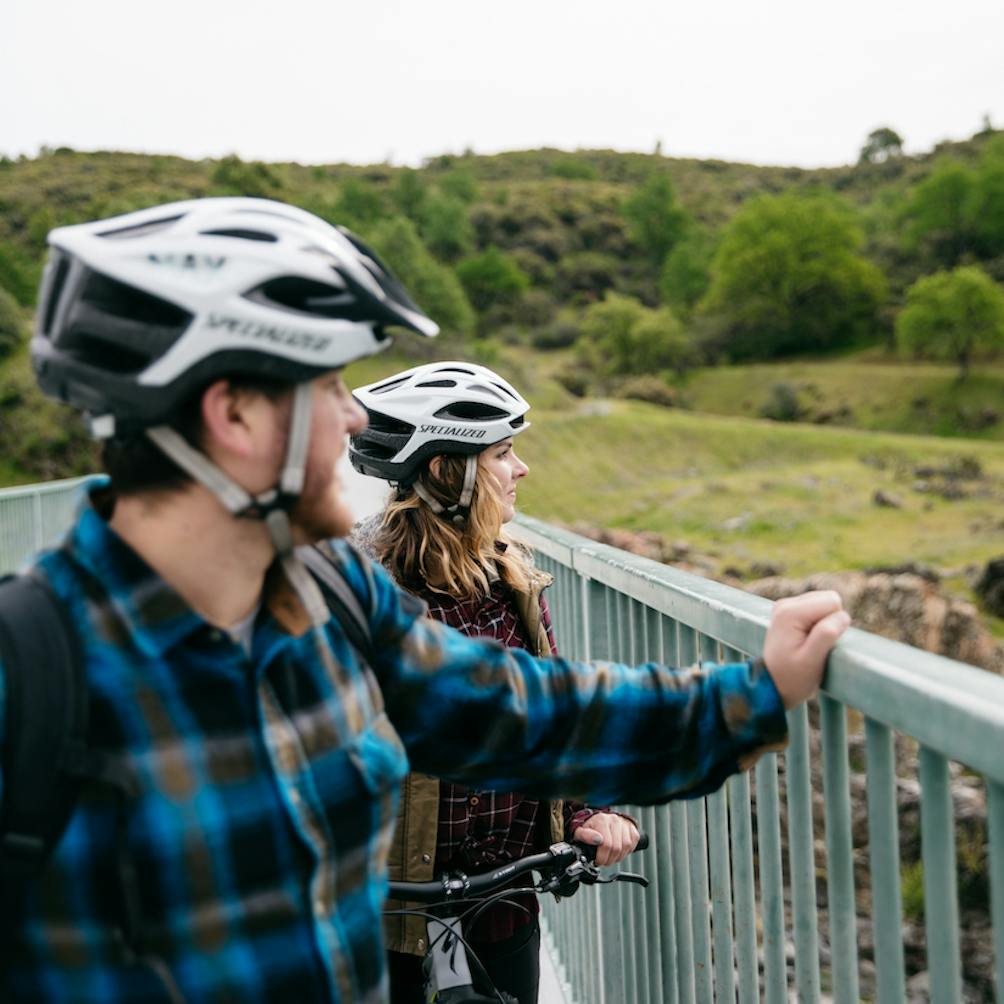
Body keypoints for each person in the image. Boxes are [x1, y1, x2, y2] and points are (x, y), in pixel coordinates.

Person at [1, 197, 850, 1004]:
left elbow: (527, 715)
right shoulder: (28, 675)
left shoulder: (331, 600)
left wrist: (757, 689)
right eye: (328, 386)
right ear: (236, 415)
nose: (355, 418)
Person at [348, 361, 639, 1004]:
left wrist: (588, 810)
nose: (522, 468)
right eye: (503, 452)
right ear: (447, 472)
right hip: (383, 917)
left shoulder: (510, 582)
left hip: (503, 904)